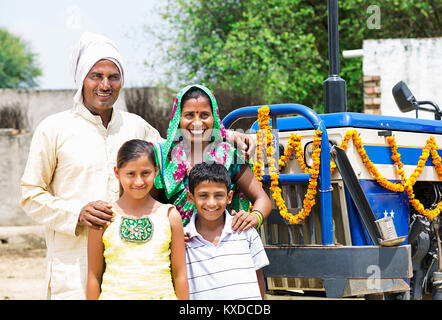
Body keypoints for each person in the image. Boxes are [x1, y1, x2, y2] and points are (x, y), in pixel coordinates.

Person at [19, 32, 164, 299]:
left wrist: (231, 138)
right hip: (73, 265)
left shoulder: (137, 126)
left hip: (130, 266)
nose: (105, 85)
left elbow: (177, 158)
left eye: (114, 77)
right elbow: (30, 195)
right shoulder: (54, 129)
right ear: (81, 79)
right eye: (96, 75)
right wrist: (77, 213)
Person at [153, 84, 271, 231]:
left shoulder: (229, 156)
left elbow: (262, 199)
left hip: (220, 246)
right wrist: (170, 233)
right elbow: (148, 206)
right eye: (189, 115)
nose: (197, 123)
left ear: (214, 117)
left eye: (204, 115)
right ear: (178, 118)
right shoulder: (163, 156)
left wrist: (254, 217)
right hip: (174, 247)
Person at [86, 139, 188, 299]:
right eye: (131, 174)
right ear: (117, 173)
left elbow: (180, 274)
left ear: (156, 171)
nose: (139, 181)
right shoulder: (104, 217)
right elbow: (93, 276)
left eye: (145, 173)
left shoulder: (169, 216)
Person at [184, 162, 269, 299]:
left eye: (218, 195)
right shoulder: (184, 240)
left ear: (229, 197)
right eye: (203, 195)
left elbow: (258, 278)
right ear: (190, 197)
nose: (211, 203)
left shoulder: (245, 231)